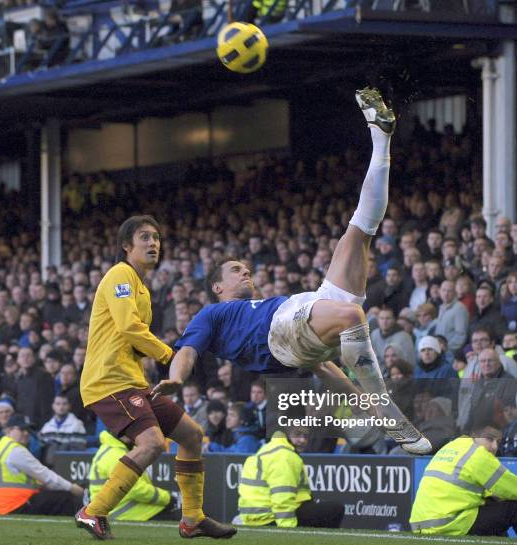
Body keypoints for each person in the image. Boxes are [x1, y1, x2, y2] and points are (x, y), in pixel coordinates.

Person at [155, 88, 431, 455]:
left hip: (301, 314)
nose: (246, 273)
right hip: (280, 334)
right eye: (236, 270)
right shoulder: (212, 314)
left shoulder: (261, 303)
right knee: (352, 314)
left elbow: (322, 366)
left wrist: (358, 400)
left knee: (359, 230)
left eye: (246, 268)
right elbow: (187, 351)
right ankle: (388, 410)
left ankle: (380, 137)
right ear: (217, 287)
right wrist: (175, 380)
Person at [75, 215, 236, 540]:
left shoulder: (140, 286)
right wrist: (168, 355)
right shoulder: (120, 274)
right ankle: (93, 511)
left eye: (156, 238)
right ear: (126, 246)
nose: (153, 244)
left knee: (191, 435)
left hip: (131, 380)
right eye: (145, 238)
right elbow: (128, 328)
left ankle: (192, 518)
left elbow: (129, 337)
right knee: (152, 443)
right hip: (108, 381)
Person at [410, 426, 517, 537]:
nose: (494, 446)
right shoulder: (479, 455)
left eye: (498, 441)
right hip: (447, 524)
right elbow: (512, 488)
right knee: (513, 507)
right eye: (489, 439)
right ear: (475, 435)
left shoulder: (454, 445)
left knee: (494, 507)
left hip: (421, 525)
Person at [237, 425, 344, 528]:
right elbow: (282, 496)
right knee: (335, 509)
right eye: (297, 434)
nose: (302, 440)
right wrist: (288, 529)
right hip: (270, 518)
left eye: (306, 436)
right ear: (286, 433)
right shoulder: (285, 456)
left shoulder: (271, 448)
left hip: (254, 518)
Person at [0, 414, 83, 516]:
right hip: (13, 505)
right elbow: (46, 475)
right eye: (22, 429)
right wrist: (72, 488)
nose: (26, 433)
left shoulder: (3, 446)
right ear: (9, 430)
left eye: (28, 430)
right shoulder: (16, 450)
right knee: (64, 497)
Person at [88, 430, 174, 521]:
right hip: (127, 514)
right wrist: (167, 498)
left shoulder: (114, 450)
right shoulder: (116, 455)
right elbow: (135, 489)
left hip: (126, 510)